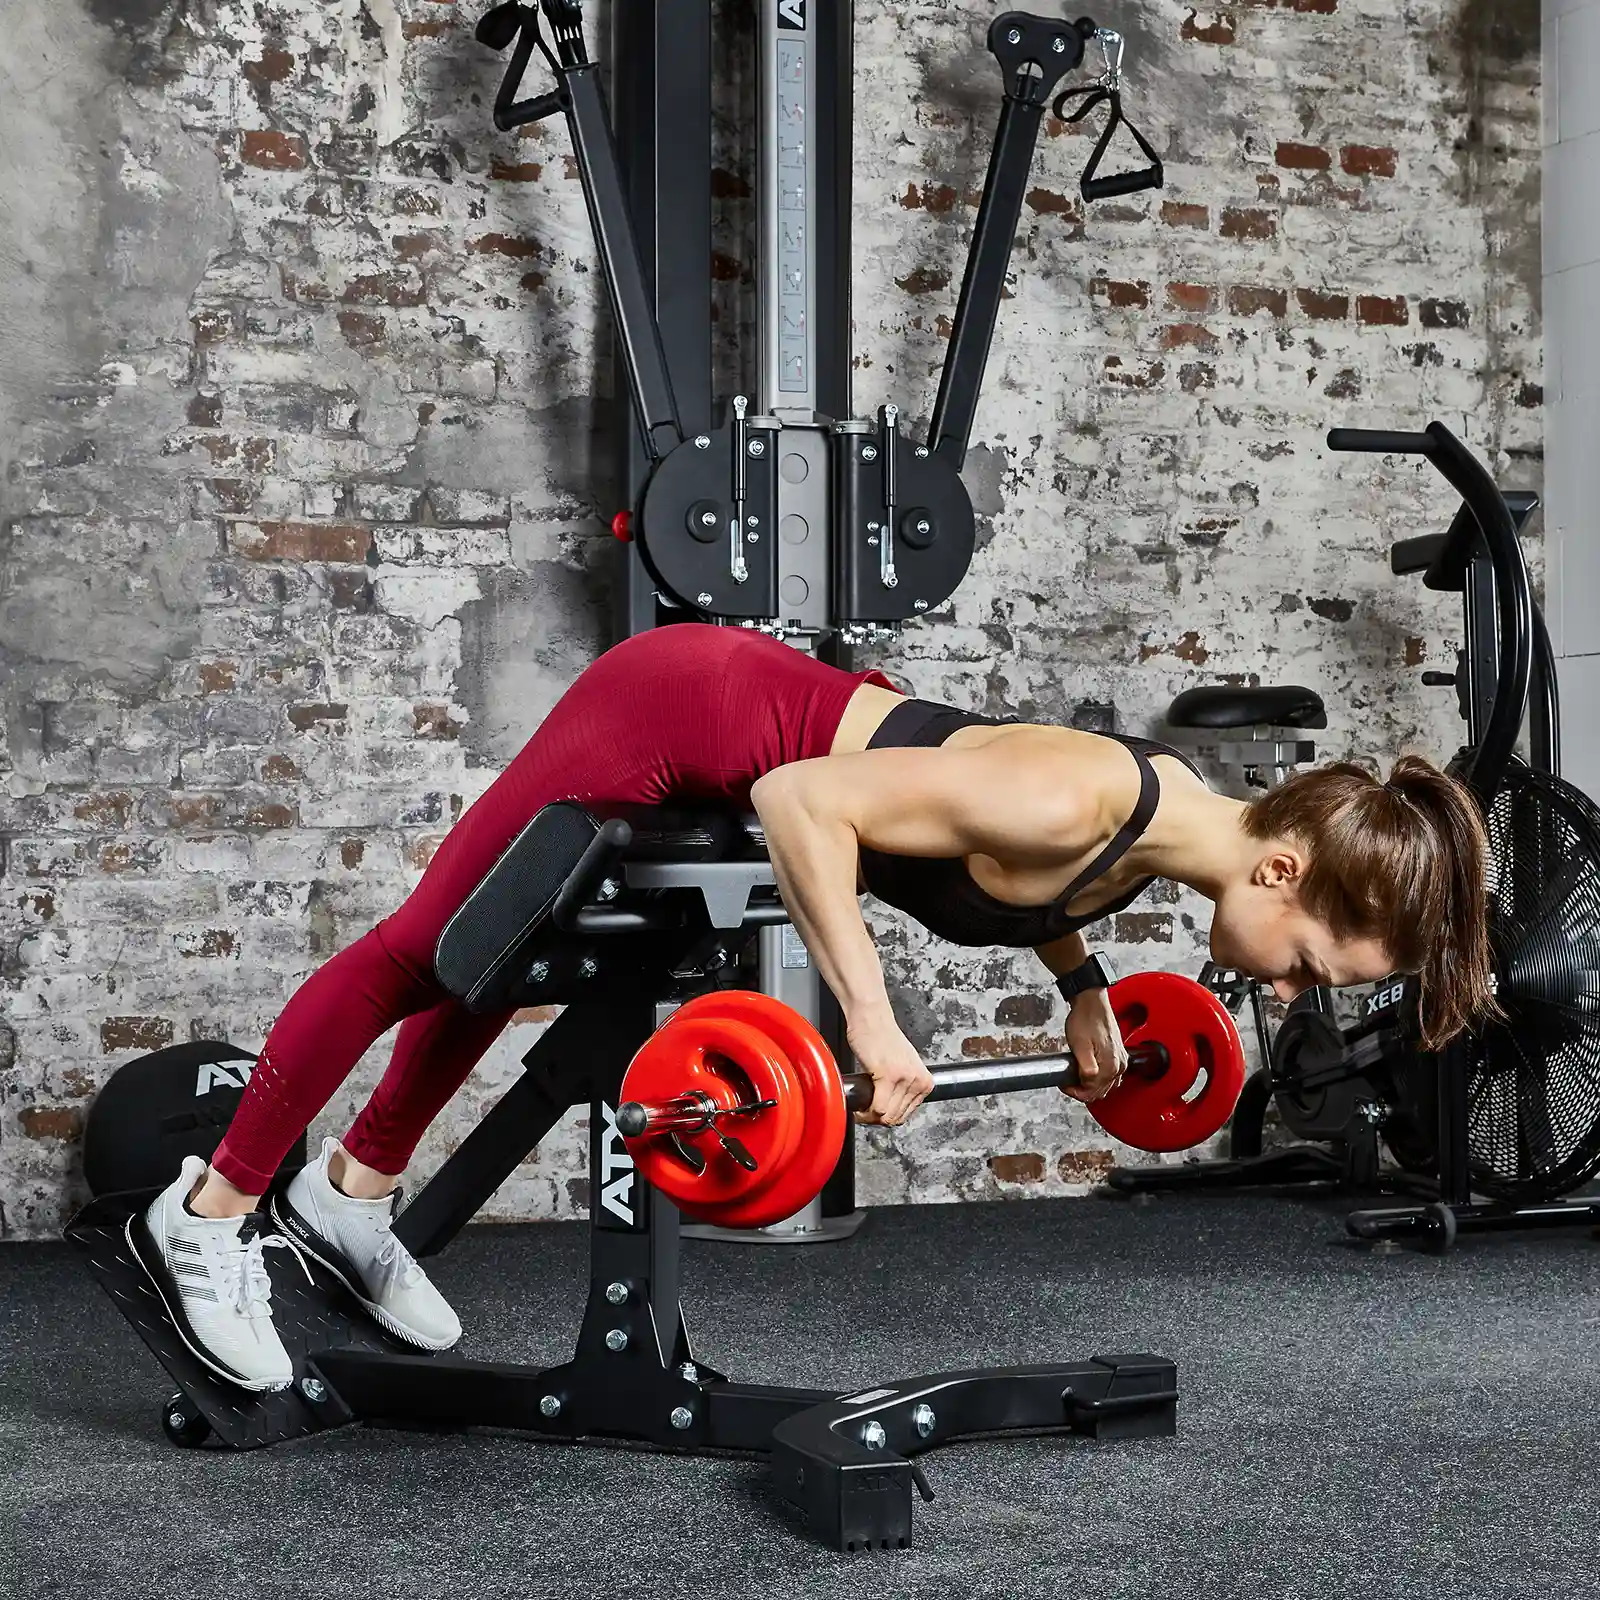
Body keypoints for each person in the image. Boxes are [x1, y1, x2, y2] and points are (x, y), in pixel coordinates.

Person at [136, 623, 1492, 1393]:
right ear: (1281, 867)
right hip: (677, 708)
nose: (1285, 987)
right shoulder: (1081, 795)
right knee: (431, 949)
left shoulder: (1172, 817)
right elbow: (804, 801)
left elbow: (1040, 887)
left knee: (513, 958)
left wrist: (1081, 989)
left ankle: (351, 1196)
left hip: (743, 737)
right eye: (1309, 960)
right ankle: (205, 1217)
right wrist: (872, 1017)